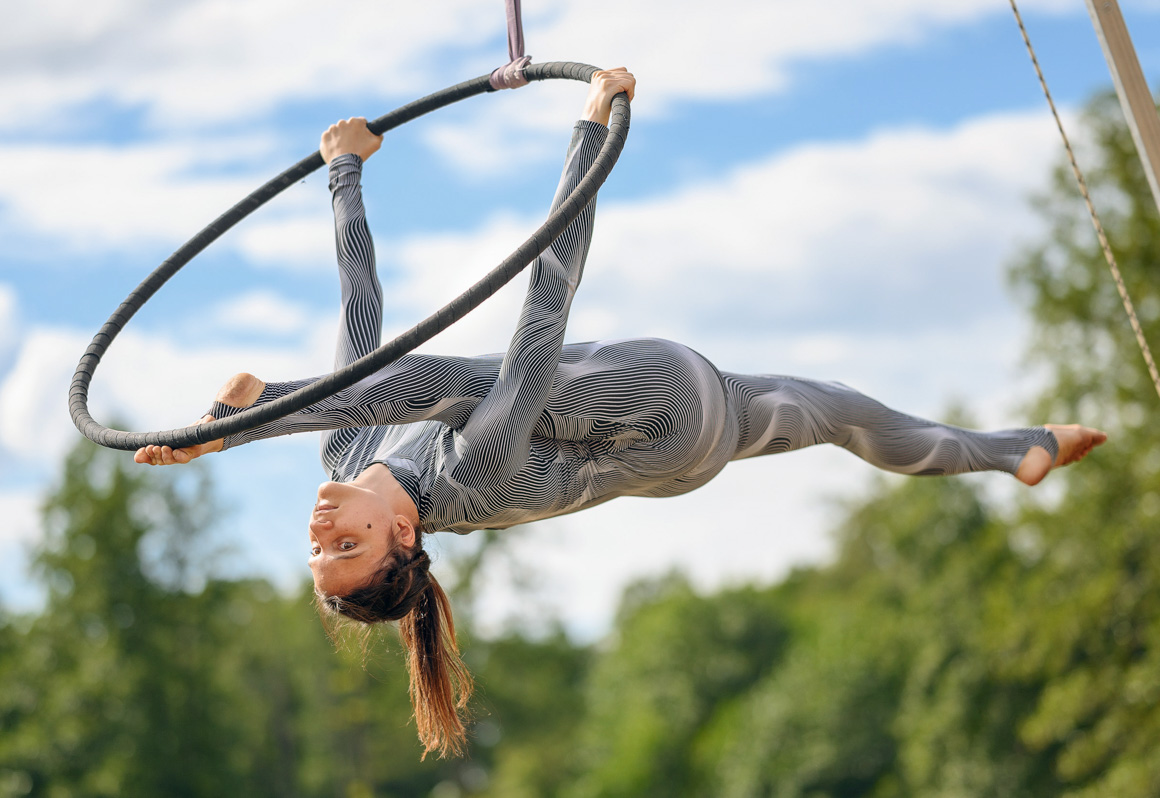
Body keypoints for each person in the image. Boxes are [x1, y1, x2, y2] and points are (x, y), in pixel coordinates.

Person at [134, 68, 1106, 757]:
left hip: (658, 422)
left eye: (318, 549)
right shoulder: (467, 481)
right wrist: (590, 138)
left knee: (843, 414)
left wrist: (345, 172)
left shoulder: (348, 457)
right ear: (402, 535)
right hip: (662, 419)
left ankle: (1016, 451)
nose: (321, 529)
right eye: (346, 547)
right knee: (472, 383)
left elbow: (361, 319)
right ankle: (257, 413)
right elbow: (540, 320)